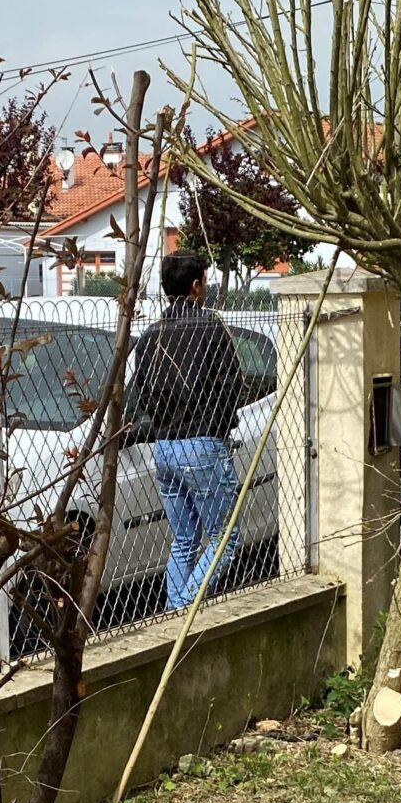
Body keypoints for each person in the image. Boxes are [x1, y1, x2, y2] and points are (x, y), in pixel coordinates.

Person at [132, 251, 248, 611]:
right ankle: (183, 606)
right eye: (206, 282)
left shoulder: (150, 336)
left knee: (184, 539)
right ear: (196, 286)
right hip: (202, 443)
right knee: (224, 540)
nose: (207, 288)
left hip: (164, 447)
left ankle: (173, 612)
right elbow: (233, 386)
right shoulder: (211, 328)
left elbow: (142, 390)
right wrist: (221, 423)